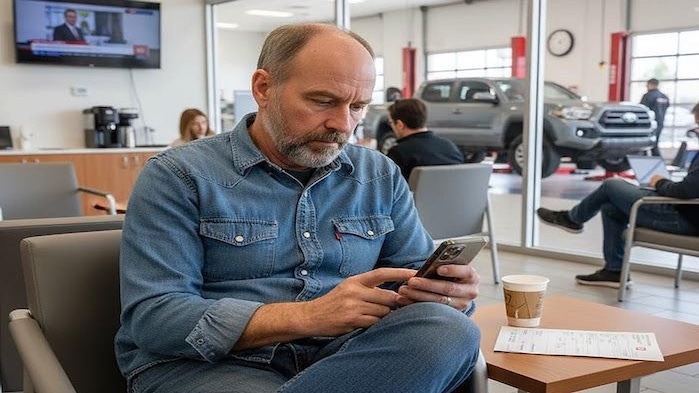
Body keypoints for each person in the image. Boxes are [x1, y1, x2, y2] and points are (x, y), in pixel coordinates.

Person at [116, 23, 481, 393]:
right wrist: (309, 316)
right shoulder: (178, 176)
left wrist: (446, 293)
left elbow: (412, 273)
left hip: (346, 354)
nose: (343, 125)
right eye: (323, 101)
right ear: (263, 88)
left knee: (448, 329)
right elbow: (155, 317)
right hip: (211, 366)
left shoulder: (377, 175)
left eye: (357, 107)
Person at [537, 102, 699, 288]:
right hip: (687, 213)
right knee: (611, 207)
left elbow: (684, 192)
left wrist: (660, 183)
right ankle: (614, 271)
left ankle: (573, 218)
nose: (696, 132)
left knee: (611, 185)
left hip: (684, 219)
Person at [386, 98, 464, 180]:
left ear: (399, 124)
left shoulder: (399, 153)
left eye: (390, 122)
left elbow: (387, 186)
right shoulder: (450, 147)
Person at [640, 78, 670, 157]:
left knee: (645, 144)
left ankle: (644, 161)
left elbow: (642, 109)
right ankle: (657, 162)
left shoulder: (648, 96)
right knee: (655, 143)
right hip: (660, 123)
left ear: (650, 84)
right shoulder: (664, 97)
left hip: (649, 124)